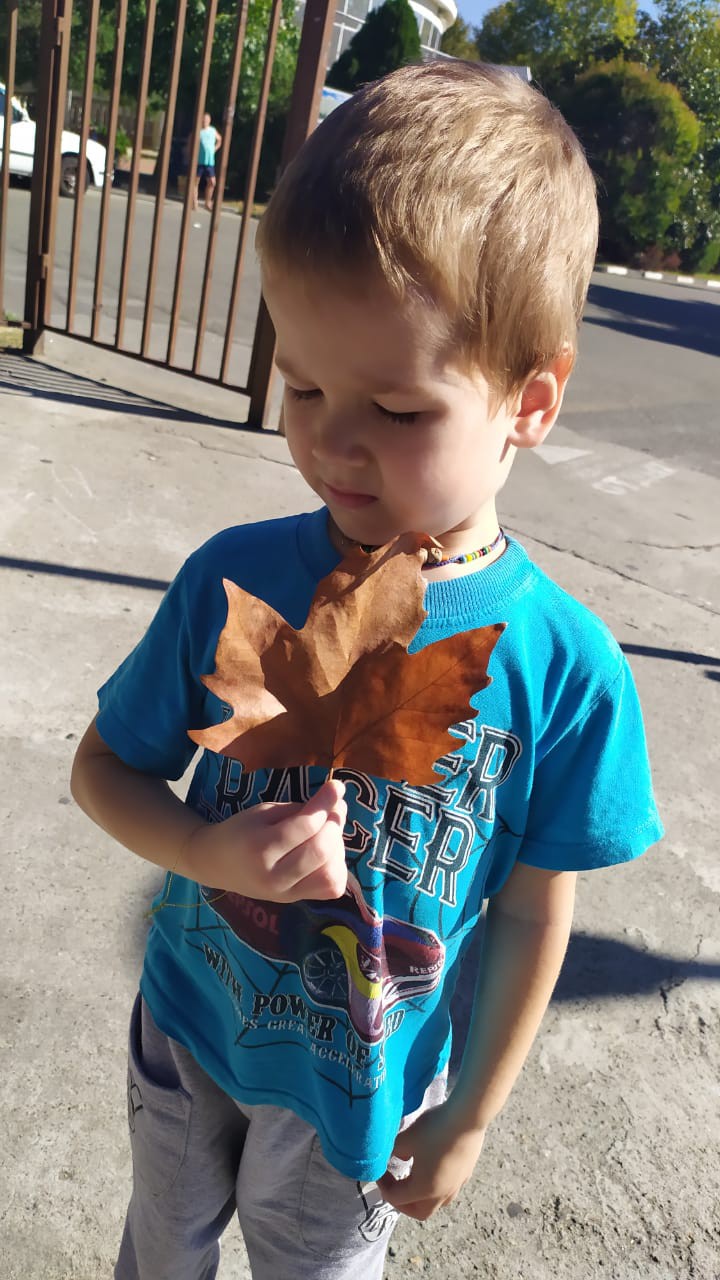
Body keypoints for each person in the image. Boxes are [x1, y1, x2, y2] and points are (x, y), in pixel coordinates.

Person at [71, 61, 663, 1280]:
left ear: (530, 400)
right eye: (301, 385)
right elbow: (104, 768)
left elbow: (533, 909)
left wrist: (472, 1117)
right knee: (161, 1247)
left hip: (364, 1090)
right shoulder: (237, 581)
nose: (333, 441)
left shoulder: (566, 669)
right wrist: (206, 850)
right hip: (191, 1023)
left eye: (397, 410)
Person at [193, 111, 222, 211]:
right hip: (199, 160)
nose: (205, 121)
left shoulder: (212, 130)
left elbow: (220, 139)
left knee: (212, 182)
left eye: (207, 119)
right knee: (195, 182)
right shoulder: (198, 131)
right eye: (204, 119)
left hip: (209, 161)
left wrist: (215, 148)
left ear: (209, 121)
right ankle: (194, 202)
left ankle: (207, 202)